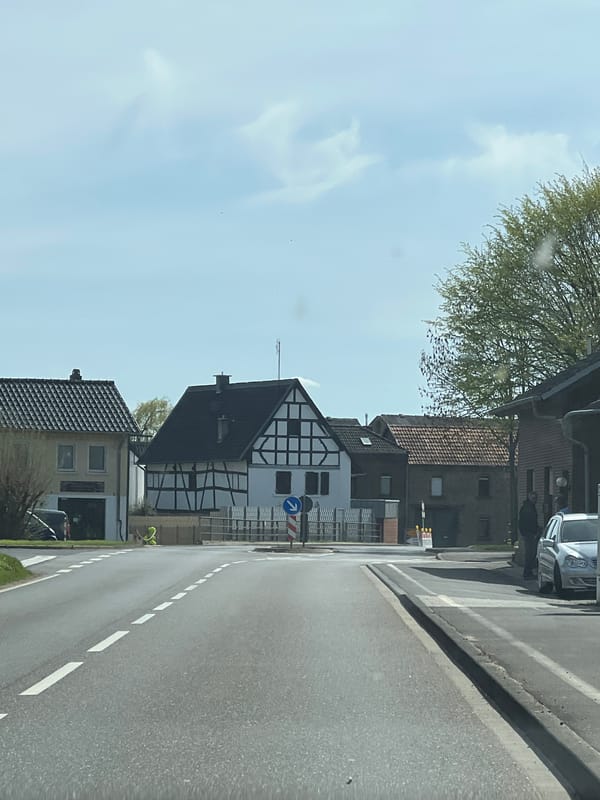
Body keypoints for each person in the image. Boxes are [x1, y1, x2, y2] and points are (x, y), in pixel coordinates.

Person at [519, 492, 539, 579]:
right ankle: (527, 573)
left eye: (536, 498)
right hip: (529, 534)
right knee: (530, 554)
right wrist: (532, 532)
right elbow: (527, 522)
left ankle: (529, 572)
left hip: (529, 533)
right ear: (529, 498)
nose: (535, 500)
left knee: (531, 553)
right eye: (534, 498)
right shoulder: (527, 508)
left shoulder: (530, 507)